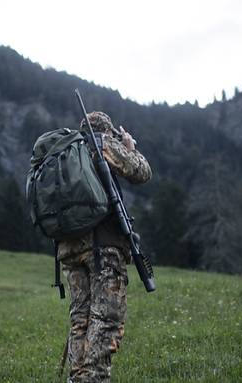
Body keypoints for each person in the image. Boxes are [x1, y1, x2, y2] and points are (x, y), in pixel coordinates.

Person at [58, 111, 152, 383]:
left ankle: (78, 379)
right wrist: (129, 147)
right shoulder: (101, 142)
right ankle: (94, 379)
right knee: (106, 320)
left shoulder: (68, 152)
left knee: (80, 321)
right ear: (108, 130)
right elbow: (142, 171)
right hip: (103, 247)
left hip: (69, 249)